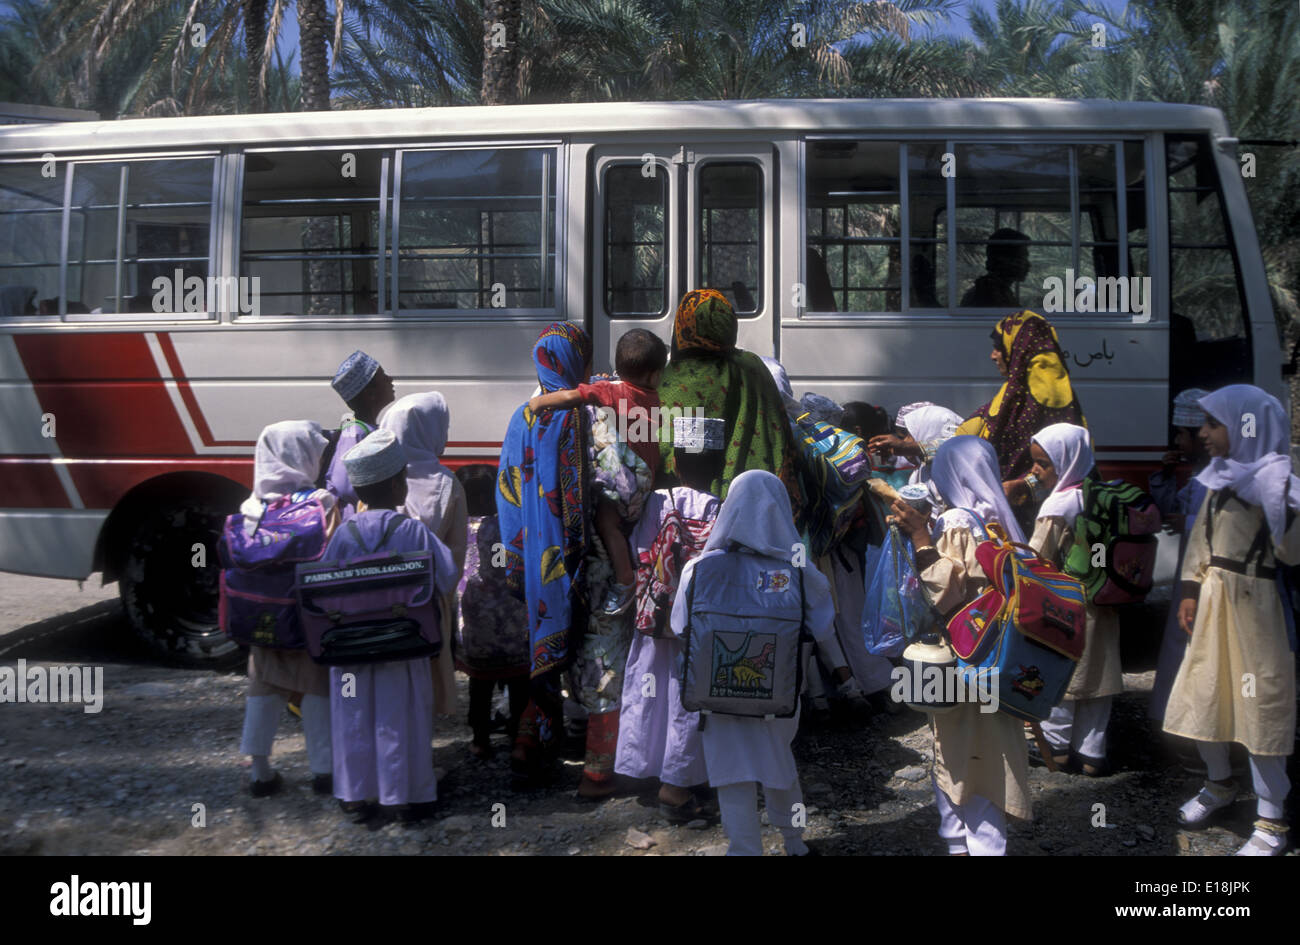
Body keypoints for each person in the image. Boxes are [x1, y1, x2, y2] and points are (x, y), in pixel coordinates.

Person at [670, 469, 847, 856]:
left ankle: (744, 848)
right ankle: (795, 843)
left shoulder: (699, 569)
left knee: (731, 773)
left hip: (715, 692)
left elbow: (680, 626)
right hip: (778, 693)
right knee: (780, 765)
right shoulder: (800, 573)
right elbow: (821, 628)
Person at [1164, 385, 1299, 856]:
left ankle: (1271, 820)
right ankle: (1219, 782)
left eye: (1212, 424)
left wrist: (1284, 506)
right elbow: (1201, 541)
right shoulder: (1220, 480)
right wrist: (1189, 590)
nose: (1203, 434)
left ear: (1247, 426)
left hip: (1256, 608)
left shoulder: (1276, 483)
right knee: (1207, 694)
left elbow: (1291, 552)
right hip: (1215, 605)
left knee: (1260, 709)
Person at [500, 322, 629, 798]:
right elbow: (618, 485)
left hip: (536, 559)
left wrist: (517, 557)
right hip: (586, 558)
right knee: (599, 656)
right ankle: (597, 769)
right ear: (577, 362)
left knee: (546, 650)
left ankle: (528, 745)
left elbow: (507, 492)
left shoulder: (522, 417)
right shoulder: (591, 416)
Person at [888, 436, 1032, 856]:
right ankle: (970, 841)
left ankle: (974, 844)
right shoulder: (999, 518)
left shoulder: (956, 521)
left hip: (963, 660)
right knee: (987, 745)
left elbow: (948, 594)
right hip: (997, 658)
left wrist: (918, 537)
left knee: (962, 749)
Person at [325, 429, 458, 824]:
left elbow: (325, 586)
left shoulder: (344, 533)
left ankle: (356, 796)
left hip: (349, 647)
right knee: (400, 718)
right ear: (397, 483)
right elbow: (447, 577)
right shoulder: (414, 531)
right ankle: (407, 796)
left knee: (353, 717)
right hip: (404, 644)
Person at [615, 417, 725, 821]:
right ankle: (677, 785)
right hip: (696, 626)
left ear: (675, 462)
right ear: (718, 467)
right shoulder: (721, 508)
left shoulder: (657, 502)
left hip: (654, 617)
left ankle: (643, 765)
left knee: (649, 689)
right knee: (686, 700)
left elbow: (639, 551)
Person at [529, 328, 668, 615]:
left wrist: (539, 402)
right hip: (646, 482)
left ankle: (625, 578)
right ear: (655, 375)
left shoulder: (610, 391)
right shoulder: (656, 398)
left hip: (626, 483)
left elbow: (570, 397)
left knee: (607, 524)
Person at [233, 420, 337, 797]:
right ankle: (324, 770)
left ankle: (258, 771)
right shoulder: (321, 503)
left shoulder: (248, 507)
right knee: (315, 686)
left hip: (261, 617)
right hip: (308, 618)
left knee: (263, 685)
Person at [1026, 423, 1121, 776]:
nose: (1035, 471)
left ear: (1065, 461)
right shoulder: (1101, 492)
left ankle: (1056, 747)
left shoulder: (1059, 503)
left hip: (1066, 603)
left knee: (1063, 674)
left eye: (1042, 464)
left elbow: (1036, 556)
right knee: (1099, 679)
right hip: (1105, 600)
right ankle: (1093, 753)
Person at [657, 289, 802, 511]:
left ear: (682, 325)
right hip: (759, 505)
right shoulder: (752, 366)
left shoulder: (673, 379)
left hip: (683, 512)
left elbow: (659, 446)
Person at [380, 392, 468, 718]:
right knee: (422, 676)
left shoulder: (379, 477)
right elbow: (457, 550)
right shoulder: (447, 483)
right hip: (428, 598)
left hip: (377, 596)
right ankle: (418, 761)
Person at [956, 309, 1087, 506]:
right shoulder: (1010, 395)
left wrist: (1024, 486)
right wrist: (915, 449)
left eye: (999, 348)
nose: (993, 356)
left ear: (1018, 349)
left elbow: (1066, 468)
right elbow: (965, 440)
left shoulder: (1051, 401)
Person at [455, 465, 530, 758]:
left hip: (475, 623)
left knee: (480, 683)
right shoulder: (508, 526)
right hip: (512, 620)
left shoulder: (461, 527)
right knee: (519, 682)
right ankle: (519, 739)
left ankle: (480, 739)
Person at [1147, 388, 1210, 731]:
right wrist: (1166, 474)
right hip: (1190, 576)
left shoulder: (1216, 480)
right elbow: (1170, 506)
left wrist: (1183, 522)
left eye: (1183, 434)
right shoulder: (1197, 476)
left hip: (1204, 581)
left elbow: (1213, 527)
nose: (1178, 441)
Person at [326, 350, 396, 512]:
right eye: (383, 376)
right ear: (370, 393)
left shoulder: (361, 428)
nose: (390, 380)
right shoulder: (355, 431)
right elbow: (343, 483)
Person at [960, 228, 1030, 308]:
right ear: (1003, 260)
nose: (1027, 264)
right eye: (1021, 258)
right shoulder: (987, 294)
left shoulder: (1000, 291)